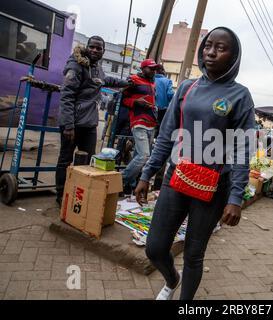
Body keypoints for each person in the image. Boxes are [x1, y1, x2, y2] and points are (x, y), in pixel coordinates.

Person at [134, 27, 255, 300]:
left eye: (221, 48)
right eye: (208, 45)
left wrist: (235, 197)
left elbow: (242, 149)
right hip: (177, 176)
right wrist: (147, 173)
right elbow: (167, 134)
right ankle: (171, 279)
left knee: (193, 253)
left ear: (234, 57)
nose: (211, 52)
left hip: (213, 187)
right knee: (155, 247)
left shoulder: (240, 96)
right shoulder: (188, 87)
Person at [56, 36, 131, 206]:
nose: (95, 50)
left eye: (99, 48)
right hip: (73, 123)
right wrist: (68, 125)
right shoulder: (76, 66)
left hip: (89, 123)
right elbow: (66, 97)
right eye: (92, 47)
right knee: (65, 159)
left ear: (103, 51)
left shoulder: (96, 68)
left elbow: (108, 80)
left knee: (89, 160)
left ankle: (79, 193)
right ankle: (61, 195)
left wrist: (126, 83)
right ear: (87, 47)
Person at [121, 59, 159, 194]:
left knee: (138, 154)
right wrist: (136, 102)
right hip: (138, 121)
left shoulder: (152, 83)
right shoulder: (133, 79)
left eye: (155, 69)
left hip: (151, 123)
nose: (153, 71)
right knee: (144, 156)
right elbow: (123, 100)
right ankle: (121, 180)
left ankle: (130, 185)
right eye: (151, 68)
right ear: (143, 68)